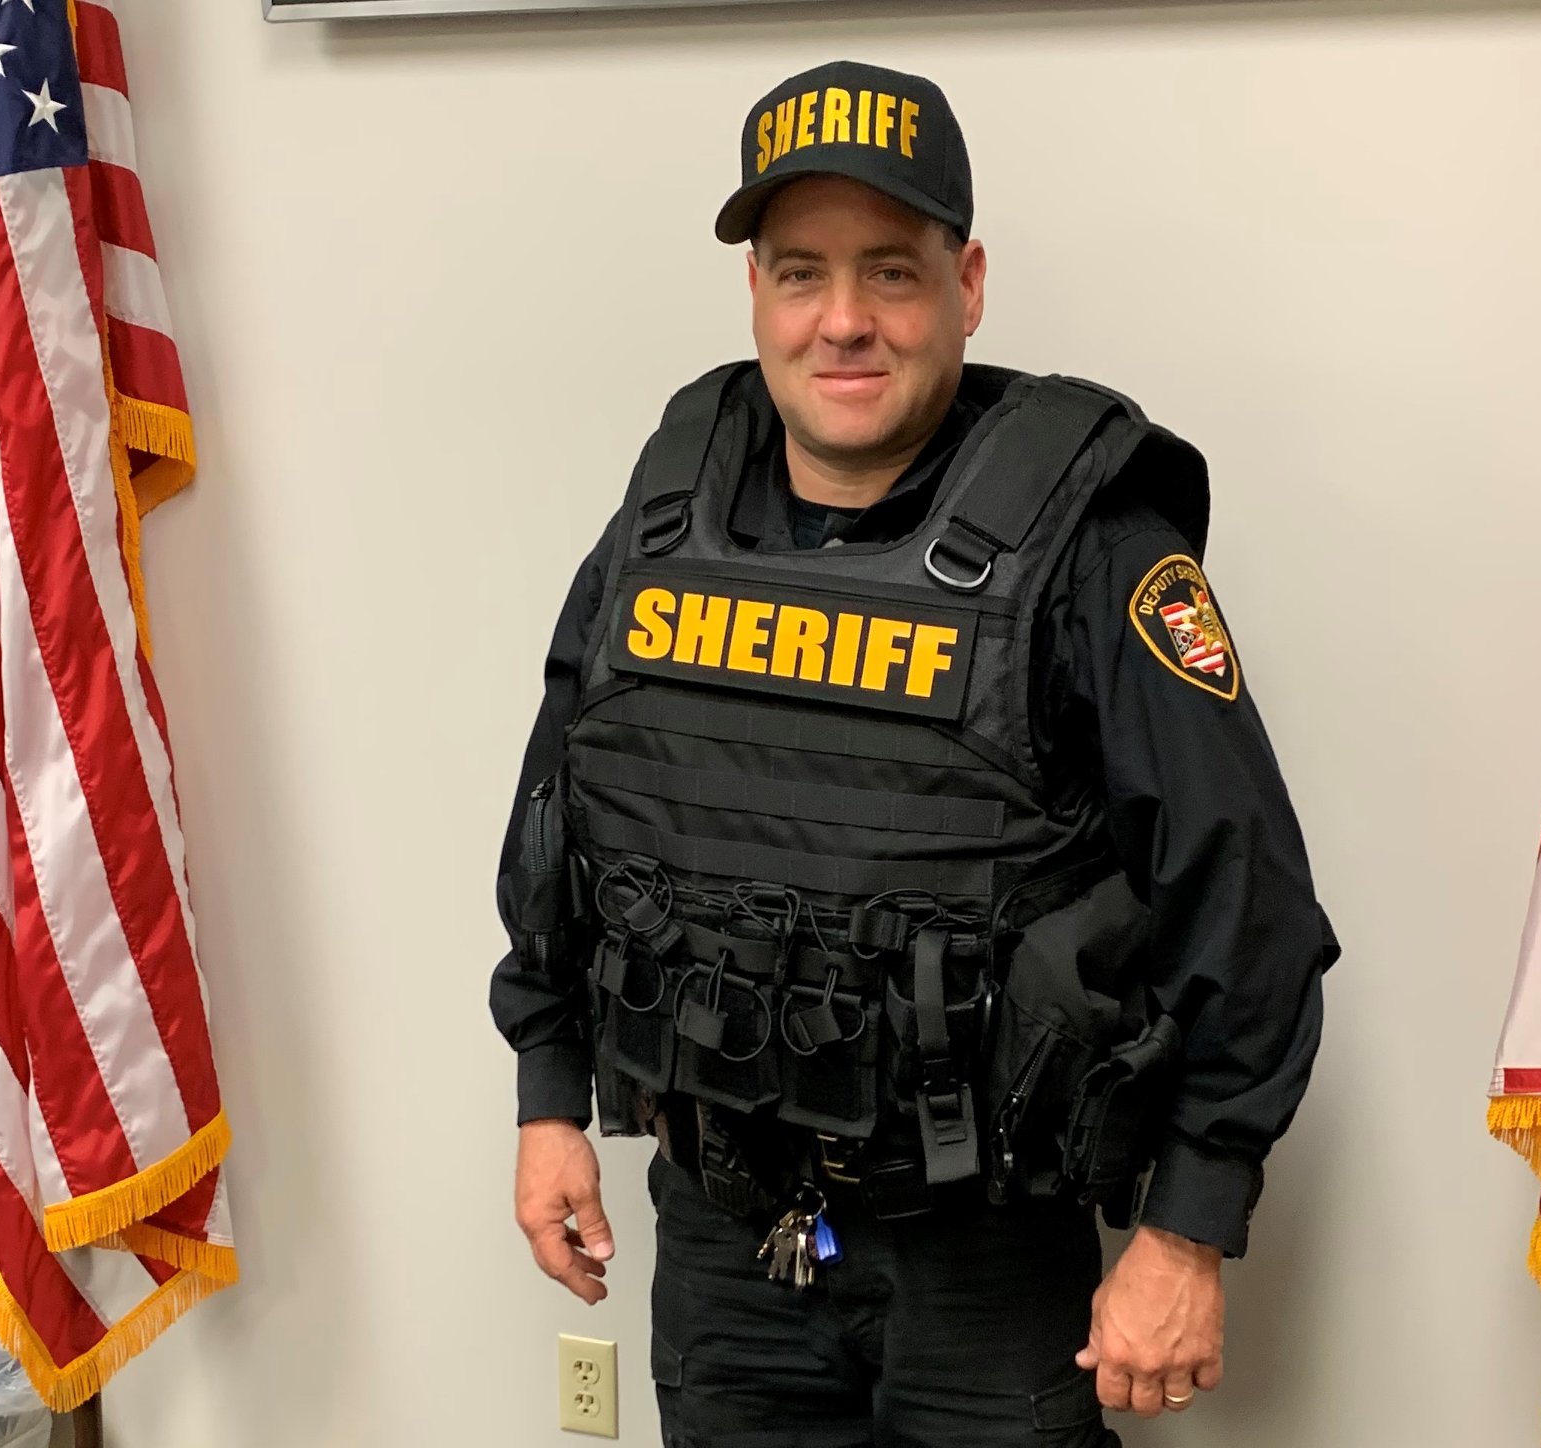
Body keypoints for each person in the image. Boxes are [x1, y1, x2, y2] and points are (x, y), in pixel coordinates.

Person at [490, 59, 1337, 1448]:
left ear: (967, 283)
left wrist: (1187, 1229)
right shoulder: (664, 523)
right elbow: (560, 821)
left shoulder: (1090, 549)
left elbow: (1244, 902)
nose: (843, 321)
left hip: (982, 1261)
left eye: (890, 271)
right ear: (755, 294)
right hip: (721, 1241)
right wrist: (548, 1095)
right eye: (800, 274)